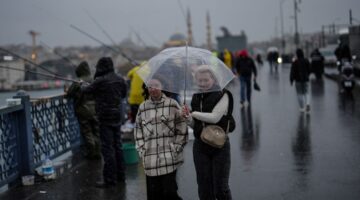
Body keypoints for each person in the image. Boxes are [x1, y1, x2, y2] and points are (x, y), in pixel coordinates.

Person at [182, 65, 233, 200]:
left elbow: (215, 117)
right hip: (201, 146)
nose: (203, 83)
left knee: (220, 188)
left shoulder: (224, 94)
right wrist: (188, 118)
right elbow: (195, 125)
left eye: (206, 80)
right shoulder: (196, 97)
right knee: (204, 188)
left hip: (220, 145)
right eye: (200, 81)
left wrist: (194, 113)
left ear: (213, 79)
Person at [134, 78, 187, 200]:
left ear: (162, 86)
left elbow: (181, 127)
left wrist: (177, 147)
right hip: (150, 160)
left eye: (156, 85)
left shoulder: (172, 104)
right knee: (154, 195)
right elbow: (138, 130)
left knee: (170, 193)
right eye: (150, 86)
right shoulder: (143, 107)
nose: (153, 89)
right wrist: (142, 150)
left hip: (169, 157)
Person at [81, 57, 128, 188]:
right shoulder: (120, 79)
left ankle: (109, 179)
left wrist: (82, 84)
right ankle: (121, 175)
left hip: (105, 117)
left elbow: (86, 91)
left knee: (108, 149)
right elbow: (124, 94)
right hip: (117, 115)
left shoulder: (100, 81)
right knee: (118, 146)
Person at [66, 61, 101, 160]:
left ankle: (92, 152)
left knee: (87, 131)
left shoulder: (78, 82)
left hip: (83, 110)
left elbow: (69, 94)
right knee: (96, 131)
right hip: (95, 109)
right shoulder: (94, 80)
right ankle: (98, 152)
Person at [290, 48, 311, 112]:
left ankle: (302, 108)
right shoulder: (306, 60)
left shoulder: (295, 62)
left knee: (299, 93)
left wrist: (291, 79)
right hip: (306, 79)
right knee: (306, 92)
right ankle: (307, 104)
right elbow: (310, 69)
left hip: (298, 80)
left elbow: (292, 72)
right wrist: (307, 75)